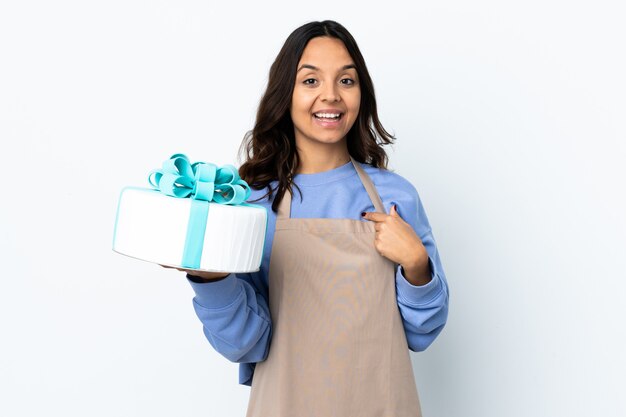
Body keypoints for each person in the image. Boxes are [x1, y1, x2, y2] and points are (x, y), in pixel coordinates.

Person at [166, 20, 449, 416]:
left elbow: (422, 333)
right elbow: (245, 344)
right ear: (286, 93)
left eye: (346, 81)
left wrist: (417, 266)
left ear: (361, 93)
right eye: (311, 81)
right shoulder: (251, 202)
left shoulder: (395, 196)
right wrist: (209, 278)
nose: (330, 96)